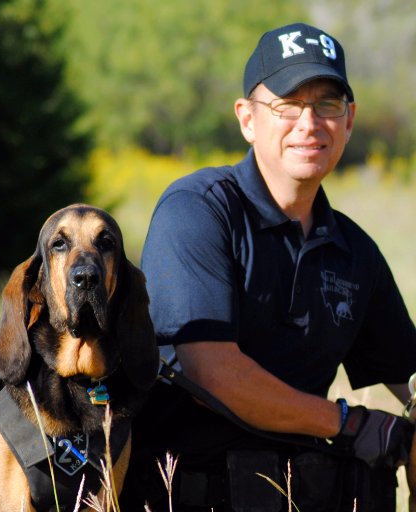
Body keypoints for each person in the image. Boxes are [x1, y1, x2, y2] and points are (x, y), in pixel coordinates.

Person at [121, 22, 416, 512]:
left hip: (296, 493)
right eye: (287, 104)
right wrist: (345, 423)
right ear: (248, 119)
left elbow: (407, 375)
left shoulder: (353, 250)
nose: (309, 123)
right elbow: (211, 373)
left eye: (326, 104)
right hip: (182, 495)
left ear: (349, 120)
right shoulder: (198, 210)